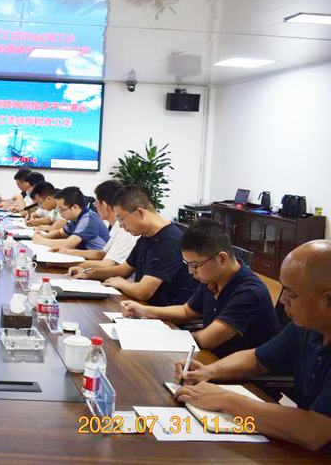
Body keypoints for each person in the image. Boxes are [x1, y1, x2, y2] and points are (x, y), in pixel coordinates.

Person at [173, 240, 331, 451]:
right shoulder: (308, 326)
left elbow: (314, 431)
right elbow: (257, 358)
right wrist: (210, 371)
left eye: (292, 294)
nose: (282, 300)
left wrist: (225, 399)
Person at [122, 219, 279, 357]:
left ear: (221, 258)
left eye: (195, 265)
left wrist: (164, 337)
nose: (191, 272)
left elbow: (207, 340)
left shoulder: (249, 292)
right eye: (188, 264)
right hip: (211, 360)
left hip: (238, 374)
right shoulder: (213, 278)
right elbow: (186, 311)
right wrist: (143, 311)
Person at [69, 185, 197, 305]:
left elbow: (143, 292)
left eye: (121, 219)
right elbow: (123, 269)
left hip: (163, 313)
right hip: (142, 307)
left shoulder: (169, 240)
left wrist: (121, 283)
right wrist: (88, 273)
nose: (120, 225)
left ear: (140, 212)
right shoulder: (146, 235)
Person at [50, 179, 138, 267]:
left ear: (104, 205)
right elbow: (102, 253)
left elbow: (107, 265)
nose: (95, 206)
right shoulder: (115, 227)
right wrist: (68, 252)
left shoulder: (124, 230)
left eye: (96, 203)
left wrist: (63, 263)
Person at [32, 186, 109, 251]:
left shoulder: (88, 218)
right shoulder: (77, 218)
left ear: (74, 207)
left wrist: (41, 240)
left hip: (98, 259)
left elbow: (69, 244)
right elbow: (60, 232)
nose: (60, 213)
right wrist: (43, 236)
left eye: (61, 209)